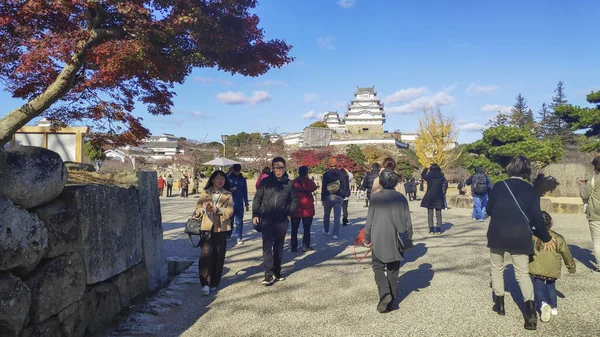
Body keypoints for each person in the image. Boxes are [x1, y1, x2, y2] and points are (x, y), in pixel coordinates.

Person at [486, 155, 556, 331]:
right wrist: (546, 237)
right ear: (526, 170)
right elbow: (537, 218)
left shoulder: (499, 186)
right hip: (520, 235)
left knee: (497, 267)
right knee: (522, 273)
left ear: (510, 168)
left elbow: (488, 210)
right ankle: (531, 313)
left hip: (497, 233)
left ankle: (500, 304)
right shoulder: (530, 190)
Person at [364, 169, 413, 313]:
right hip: (397, 238)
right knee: (393, 269)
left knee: (378, 266)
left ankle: (385, 293)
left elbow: (369, 221)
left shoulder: (375, 198)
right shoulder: (401, 198)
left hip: (378, 237)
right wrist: (408, 237)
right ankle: (391, 300)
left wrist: (367, 237)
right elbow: (407, 221)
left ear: (381, 181)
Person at [252, 157, 298, 285]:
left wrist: (290, 214)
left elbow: (294, 200)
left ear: (285, 168)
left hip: (282, 219)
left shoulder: (289, 184)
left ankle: (277, 271)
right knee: (267, 247)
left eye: (281, 168)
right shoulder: (265, 182)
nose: (278, 170)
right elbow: (257, 199)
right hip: (266, 218)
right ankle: (268, 273)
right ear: (272, 168)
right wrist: (255, 214)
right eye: (276, 168)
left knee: (278, 246)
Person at [192, 170, 234, 295]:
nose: (220, 181)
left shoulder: (228, 194)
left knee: (218, 255)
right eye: (218, 178)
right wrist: (203, 211)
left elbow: (230, 211)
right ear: (213, 180)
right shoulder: (205, 193)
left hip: (221, 228)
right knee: (205, 255)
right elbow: (197, 209)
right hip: (206, 228)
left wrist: (219, 210)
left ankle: (214, 282)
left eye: (222, 178)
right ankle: (205, 283)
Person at [529, 211, 576, 322]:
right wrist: (571, 267)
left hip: (536, 267)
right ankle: (554, 307)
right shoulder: (558, 238)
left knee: (538, 288)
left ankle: (544, 304)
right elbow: (566, 253)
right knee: (551, 287)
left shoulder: (532, 235)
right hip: (552, 268)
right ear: (550, 223)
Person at [321, 158, 350, 240]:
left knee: (326, 214)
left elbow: (324, 187)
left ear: (329, 165)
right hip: (339, 196)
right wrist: (344, 195)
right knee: (337, 216)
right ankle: (335, 234)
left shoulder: (326, 174)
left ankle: (326, 230)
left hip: (328, 196)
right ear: (336, 164)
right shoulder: (342, 174)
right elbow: (346, 185)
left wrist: (322, 198)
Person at [580, 154, 600, 272]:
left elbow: (584, 194)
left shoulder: (593, 180)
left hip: (595, 213)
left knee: (597, 241)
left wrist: (583, 185)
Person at [291, 166, 317, 252]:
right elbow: (314, 187)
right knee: (307, 228)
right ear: (306, 172)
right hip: (307, 207)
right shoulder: (308, 182)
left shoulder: (294, 182)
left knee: (294, 228)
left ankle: (293, 246)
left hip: (296, 206)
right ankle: (305, 246)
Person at [420, 164, 448, 234]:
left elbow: (423, 175)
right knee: (438, 214)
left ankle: (431, 229)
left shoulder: (429, 176)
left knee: (430, 214)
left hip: (430, 196)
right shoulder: (442, 177)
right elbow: (445, 185)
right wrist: (443, 193)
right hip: (439, 196)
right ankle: (438, 229)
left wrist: (426, 168)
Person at [227, 164, 250, 245]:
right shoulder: (228, 178)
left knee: (239, 221)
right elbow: (224, 190)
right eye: (235, 171)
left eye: (238, 171)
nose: (237, 172)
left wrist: (246, 203)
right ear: (233, 170)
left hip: (239, 203)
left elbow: (245, 192)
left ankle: (239, 237)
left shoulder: (243, 179)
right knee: (230, 220)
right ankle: (228, 234)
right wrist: (230, 190)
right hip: (229, 203)